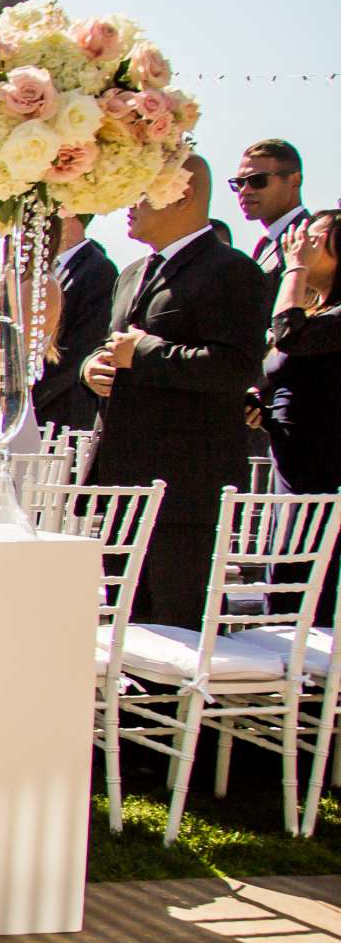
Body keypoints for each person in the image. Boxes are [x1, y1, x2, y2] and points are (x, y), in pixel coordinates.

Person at [84, 154, 270, 629]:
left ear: (183, 194)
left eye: (142, 190)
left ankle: (169, 708)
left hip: (186, 485)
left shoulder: (231, 271)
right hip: (122, 478)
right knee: (124, 621)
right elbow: (115, 347)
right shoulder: (131, 274)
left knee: (174, 624)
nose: (130, 204)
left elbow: (235, 367)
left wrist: (144, 353)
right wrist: (94, 367)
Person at [259, 210, 340, 625]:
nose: (299, 239)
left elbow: (287, 334)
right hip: (291, 457)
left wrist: (295, 267)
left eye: (313, 234)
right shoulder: (319, 311)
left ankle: (305, 673)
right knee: (286, 566)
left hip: (321, 463)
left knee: (304, 570)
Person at [33, 211, 117, 432]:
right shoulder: (42, 267)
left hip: (60, 415)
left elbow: (81, 349)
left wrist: (29, 395)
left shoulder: (99, 270)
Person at [235, 138, 307, 291]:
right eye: (239, 183)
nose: (244, 190)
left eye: (258, 180)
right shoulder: (267, 243)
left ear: (295, 180)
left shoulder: (309, 238)